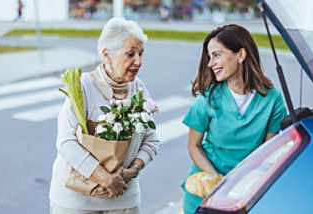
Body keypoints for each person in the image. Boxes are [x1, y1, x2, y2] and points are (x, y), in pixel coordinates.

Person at [49, 17, 160, 214]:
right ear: (107, 55)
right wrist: (105, 178)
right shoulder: (83, 86)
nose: (139, 61)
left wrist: (131, 171)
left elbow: (151, 140)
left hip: (123, 199)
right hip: (76, 200)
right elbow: (66, 142)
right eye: (131, 54)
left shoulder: (139, 89)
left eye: (141, 54)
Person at [181, 24, 287, 214]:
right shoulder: (207, 98)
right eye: (209, 57)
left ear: (240, 55)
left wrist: (244, 184)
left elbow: (267, 152)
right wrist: (218, 182)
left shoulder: (273, 99)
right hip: (206, 190)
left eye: (217, 55)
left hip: (247, 190)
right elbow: (193, 146)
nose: (210, 63)